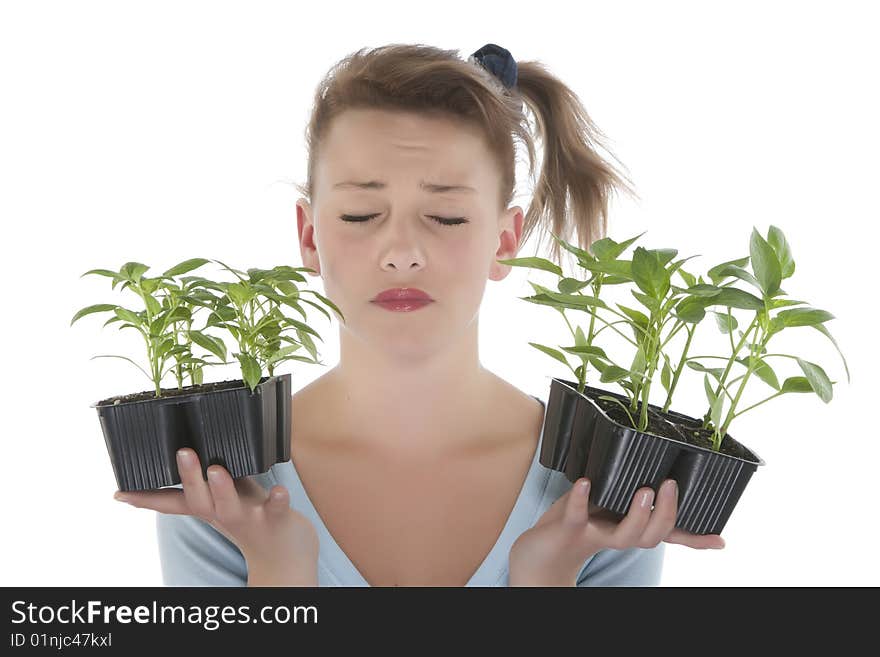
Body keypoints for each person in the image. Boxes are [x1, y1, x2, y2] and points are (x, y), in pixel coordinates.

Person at [114, 42, 725, 587]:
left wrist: (548, 575)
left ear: (504, 242)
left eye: (448, 217)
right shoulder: (224, 482)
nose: (402, 254)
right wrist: (279, 566)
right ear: (308, 237)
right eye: (359, 215)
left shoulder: (596, 488)